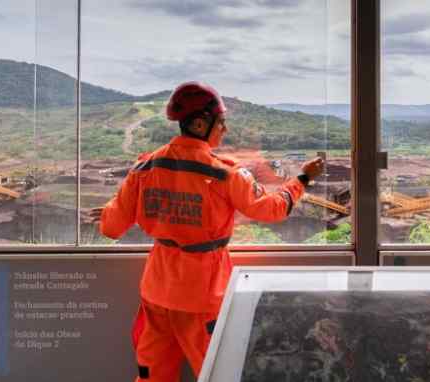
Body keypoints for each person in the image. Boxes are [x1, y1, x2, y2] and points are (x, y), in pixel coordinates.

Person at [89, 82, 324, 381]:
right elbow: (272, 209)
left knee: (152, 376)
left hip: (157, 292)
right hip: (203, 296)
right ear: (201, 123)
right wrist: (302, 179)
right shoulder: (225, 172)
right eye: (221, 122)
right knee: (216, 373)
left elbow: (111, 226)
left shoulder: (145, 167)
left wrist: (110, 208)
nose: (224, 129)